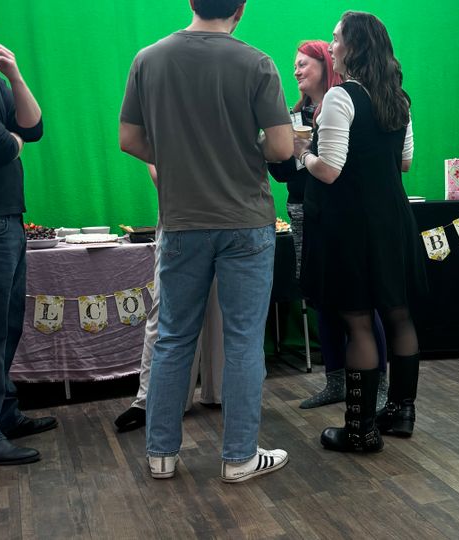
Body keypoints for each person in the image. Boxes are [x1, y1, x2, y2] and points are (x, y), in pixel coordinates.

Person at [119, 0, 294, 482]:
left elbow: (129, 140)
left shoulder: (148, 59)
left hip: (180, 221)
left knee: (173, 337)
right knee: (242, 340)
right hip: (245, 220)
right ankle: (239, 457)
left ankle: (160, 455)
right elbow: (281, 148)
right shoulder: (256, 62)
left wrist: (178, 156)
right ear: (240, 8)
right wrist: (240, 150)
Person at [292, 11, 426, 453]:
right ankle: (401, 412)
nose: (331, 47)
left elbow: (329, 171)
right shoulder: (399, 98)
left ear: (354, 46)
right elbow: (404, 163)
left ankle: (360, 431)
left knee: (358, 322)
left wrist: (303, 155)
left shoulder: (340, 97)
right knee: (399, 315)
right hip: (395, 219)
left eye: (336, 39)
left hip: (354, 226)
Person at [267, 40, 388, 411]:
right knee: (321, 297)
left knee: (358, 300)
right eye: (295, 65)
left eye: (304, 63)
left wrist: (306, 153)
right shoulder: (292, 115)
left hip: (342, 215)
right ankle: (335, 379)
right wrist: (286, 152)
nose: (297, 71)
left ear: (325, 64)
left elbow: (345, 165)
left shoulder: (345, 104)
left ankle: (376, 385)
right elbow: (281, 170)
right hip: (303, 211)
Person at [0, 0, 57, 466]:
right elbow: (2, 146)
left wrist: (16, 76)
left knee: (5, 324)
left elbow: (34, 127)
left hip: (5, 219)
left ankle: (2, 413)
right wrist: (14, 139)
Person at [114, 165, 224, 433]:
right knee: (167, 311)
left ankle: (221, 392)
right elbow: (155, 168)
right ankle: (154, 398)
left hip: (224, 213)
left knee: (220, 309)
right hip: (183, 214)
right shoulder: (165, 122)